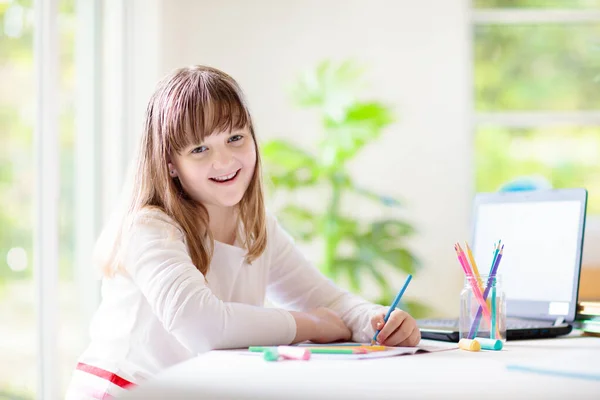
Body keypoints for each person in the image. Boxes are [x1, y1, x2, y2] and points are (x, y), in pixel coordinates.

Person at [65, 65, 420, 399]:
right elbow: (200, 324)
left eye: (235, 138)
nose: (224, 161)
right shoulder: (150, 227)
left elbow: (327, 301)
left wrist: (375, 321)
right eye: (200, 148)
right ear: (170, 164)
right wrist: (309, 324)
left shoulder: (255, 225)